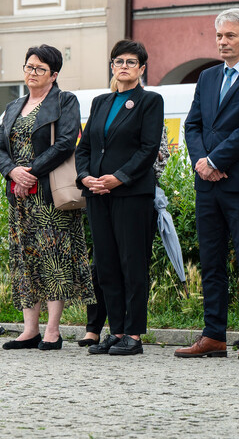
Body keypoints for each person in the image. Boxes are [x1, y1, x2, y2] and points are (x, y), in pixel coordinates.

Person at [174, 8, 239, 360]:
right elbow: (193, 125)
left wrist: (216, 161)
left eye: (230, 36)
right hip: (208, 185)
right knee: (211, 261)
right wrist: (202, 163)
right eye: (219, 36)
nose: (222, 42)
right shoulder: (206, 78)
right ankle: (213, 334)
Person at [0, 44, 95, 350]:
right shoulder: (13, 106)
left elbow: (65, 143)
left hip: (49, 194)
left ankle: (52, 330)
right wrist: (13, 172)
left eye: (39, 69)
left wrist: (31, 172)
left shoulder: (64, 101)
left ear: (54, 75)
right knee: (25, 259)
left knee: (54, 259)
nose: (32, 73)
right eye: (28, 67)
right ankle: (29, 330)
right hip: (20, 196)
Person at [75, 40, 165, 356]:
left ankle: (134, 334)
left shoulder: (150, 101)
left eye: (130, 61)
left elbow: (148, 148)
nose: (123, 66)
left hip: (131, 193)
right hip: (97, 194)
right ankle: (115, 332)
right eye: (118, 61)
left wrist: (118, 178)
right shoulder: (101, 102)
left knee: (132, 263)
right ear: (112, 66)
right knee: (107, 264)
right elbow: (84, 146)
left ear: (141, 68)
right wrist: (85, 177)